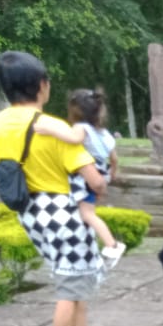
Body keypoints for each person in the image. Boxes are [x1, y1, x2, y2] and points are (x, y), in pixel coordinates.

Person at [0, 51, 106, 326]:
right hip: (60, 211)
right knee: (70, 288)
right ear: (42, 85)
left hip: (29, 211)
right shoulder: (52, 127)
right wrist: (98, 188)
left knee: (71, 278)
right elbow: (94, 180)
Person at [32, 88, 125, 269]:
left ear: (75, 110)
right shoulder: (105, 133)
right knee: (85, 212)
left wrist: (49, 130)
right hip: (101, 172)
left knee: (87, 214)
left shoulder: (81, 128)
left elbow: (73, 139)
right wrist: (112, 173)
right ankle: (95, 243)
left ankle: (112, 245)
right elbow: (114, 159)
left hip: (86, 176)